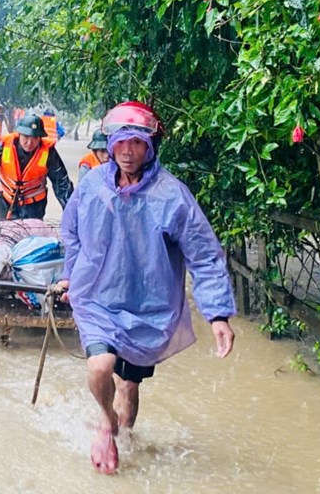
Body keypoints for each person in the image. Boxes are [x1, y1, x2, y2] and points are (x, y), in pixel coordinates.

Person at [60, 101, 236, 475]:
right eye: (121, 142)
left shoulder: (172, 195)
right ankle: (106, 422)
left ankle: (124, 442)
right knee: (99, 366)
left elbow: (203, 254)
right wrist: (72, 276)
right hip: (98, 299)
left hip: (148, 307)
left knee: (130, 387)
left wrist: (217, 314)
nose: (127, 151)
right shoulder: (92, 186)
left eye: (137, 144)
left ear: (150, 146)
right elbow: (71, 231)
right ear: (110, 145)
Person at [0, 114, 73, 222]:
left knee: (32, 236)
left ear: (40, 138)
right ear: (19, 134)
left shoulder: (48, 152)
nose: (30, 142)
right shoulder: (2, 147)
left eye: (35, 138)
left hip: (34, 204)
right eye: (26, 136)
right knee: (6, 234)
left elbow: (62, 184)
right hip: (5, 199)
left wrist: (72, 213)